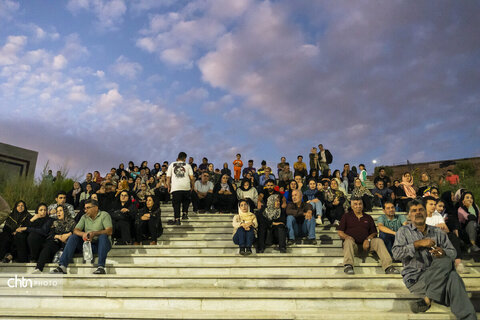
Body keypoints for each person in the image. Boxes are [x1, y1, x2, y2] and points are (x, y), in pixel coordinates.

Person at [392, 200, 476, 318]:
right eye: (414, 211)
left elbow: (453, 252)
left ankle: (428, 299)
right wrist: (417, 244)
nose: (418, 213)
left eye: (421, 210)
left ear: (426, 213)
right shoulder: (403, 232)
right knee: (453, 276)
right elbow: (396, 254)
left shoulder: (437, 232)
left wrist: (442, 252)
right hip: (417, 278)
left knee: (450, 268)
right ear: (409, 215)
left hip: (440, 277)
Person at [338, 197, 399, 275]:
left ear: (363, 205)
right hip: (353, 246)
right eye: (355, 204)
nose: (358, 206)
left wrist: (368, 239)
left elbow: (374, 233)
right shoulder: (346, 216)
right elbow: (340, 232)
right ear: (352, 205)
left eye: (360, 204)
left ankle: (388, 267)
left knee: (378, 240)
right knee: (348, 241)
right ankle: (348, 266)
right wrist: (347, 237)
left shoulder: (368, 217)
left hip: (366, 246)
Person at [51, 199, 112, 274]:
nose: (85, 210)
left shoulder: (104, 215)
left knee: (103, 236)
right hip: (89, 245)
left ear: (96, 208)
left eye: (88, 208)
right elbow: (75, 230)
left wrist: (94, 233)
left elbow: (109, 231)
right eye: (85, 208)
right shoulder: (84, 217)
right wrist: (83, 234)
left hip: (102, 245)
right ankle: (62, 266)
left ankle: (101, 267)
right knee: (73, 237)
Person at [424, 196, 466, 273]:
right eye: (431, 204)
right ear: (425, 205)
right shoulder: (422, 216)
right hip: (428, 238)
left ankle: (458, 263)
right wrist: (437, 226)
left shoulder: (437, 215)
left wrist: (435, 227)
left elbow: (446, 229)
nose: (434, 206)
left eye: (434, 204)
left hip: (440, 236)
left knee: (452, 236)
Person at [32, 204, 75, 273]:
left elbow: (75, 231)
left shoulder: (72, 222)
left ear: (65, 211)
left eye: (60, 211)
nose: (58, 213)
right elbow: (51, 234)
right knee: (48, 245)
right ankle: (39, 268)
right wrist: (59, 236)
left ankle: (61, 267)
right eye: (57, 211)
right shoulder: (55, 222)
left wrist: (67, 235)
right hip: (57, 241)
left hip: (68, 242)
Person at [166, 152, 194, 225]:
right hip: (186, 186)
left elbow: (168, 177)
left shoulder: (172, 164)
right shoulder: (188, 165)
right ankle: (184, 214)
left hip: (176, 187)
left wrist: (168, 186)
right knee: (186, 201)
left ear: (178, 158)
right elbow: (191, 177)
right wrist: (193, 186)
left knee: (176, 203)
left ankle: (177, 219)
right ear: (184, 158)